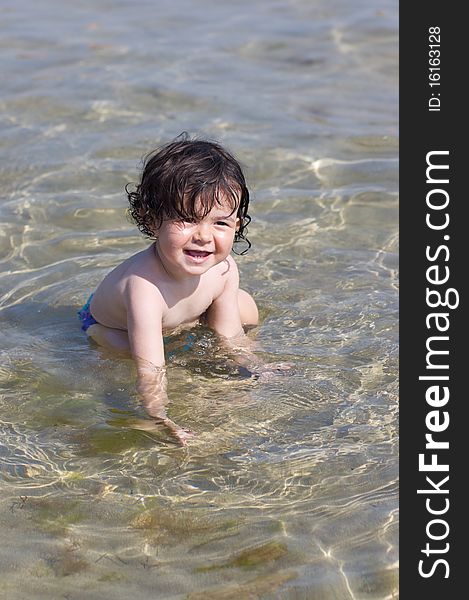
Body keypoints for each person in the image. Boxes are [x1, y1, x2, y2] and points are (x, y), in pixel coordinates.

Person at [78, 135, 281, 444]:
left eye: (220, 224)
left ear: (237, 226)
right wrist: (159, 417)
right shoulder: (144, 288)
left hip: (179, 318)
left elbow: (230, 334)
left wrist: (256, 367)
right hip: (112, 324)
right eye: (187, 219)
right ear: (153, 219)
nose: (204, 236)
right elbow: (151, 369)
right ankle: (116, 340)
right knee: (122, 347)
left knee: (245, 308)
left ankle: (184, 328)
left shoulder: (224, 270)